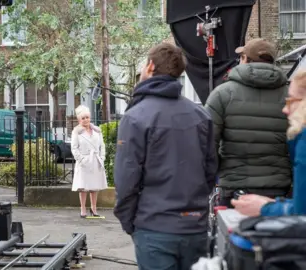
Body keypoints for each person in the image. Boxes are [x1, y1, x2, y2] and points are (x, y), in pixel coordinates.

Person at [113, 42, 217, 270]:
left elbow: (125, 180)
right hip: (194, 226)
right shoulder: (201, 116)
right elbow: (211, 172)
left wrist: (130, 222)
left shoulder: (135, 117)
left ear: (150, 67)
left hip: (155, 227)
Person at [205, 38, 292, 208]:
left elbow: (206, 145)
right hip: (278, 192)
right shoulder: (291, 97)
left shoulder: (222, 94)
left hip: (234, 190)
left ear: (246, 60)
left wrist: (218, 173)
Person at [232, 69, 306, 217]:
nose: (285, 109)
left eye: (291, 100)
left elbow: (301, 214)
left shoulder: (303, 139)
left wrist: (265, 208)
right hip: (281, 185)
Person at [71, 105, 108, 218]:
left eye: (87, 117)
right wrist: (82, 159)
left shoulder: (97, 130)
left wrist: (102, 157)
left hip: (96, 160)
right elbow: (74, 148)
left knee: (94, 187)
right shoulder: (76, 132)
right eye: (83, 118)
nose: (86, 120)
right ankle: (83, 209)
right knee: (83, 187)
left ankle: (94, 208)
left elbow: (102, 145)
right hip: (84, 161)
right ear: (79, 120)